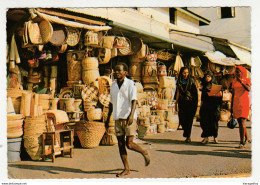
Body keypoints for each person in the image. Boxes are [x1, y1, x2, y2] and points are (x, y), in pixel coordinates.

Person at [106, 62, 150, 177]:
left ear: (125, 73)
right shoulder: (113, 85)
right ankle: (126, 168)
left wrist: (131, 115)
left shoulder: (130, 84)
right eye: (115, 70)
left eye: (119, 70)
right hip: (117, 117)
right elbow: (111, 103)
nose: (117, 72)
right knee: (120, 144)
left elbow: (134, 100)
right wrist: (107, 119)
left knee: (129, 144)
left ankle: (144, 152)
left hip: (128, 117)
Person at [175, 67, 198, 143]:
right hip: (182, 102)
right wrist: (176, 102)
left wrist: (196, 102)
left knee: (189, 119)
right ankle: (186, 132)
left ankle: (188, 136)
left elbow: (195, 92)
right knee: (182, 118)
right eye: (184, 72)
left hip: (190, 102)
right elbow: (178, 91)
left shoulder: (191, 81)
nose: (186, 74)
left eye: (187, 72)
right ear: (181, 73)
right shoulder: (179, 81)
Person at [199, 71, 222, 144]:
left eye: (209, 76)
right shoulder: (204, 86)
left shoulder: (215, 85)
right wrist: (201, 105)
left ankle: (215, 137)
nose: (207, 78)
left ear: (212, 77)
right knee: (205, 122)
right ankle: (206, 138)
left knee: (214, 123)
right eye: (206, 77)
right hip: (206, 106)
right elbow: (202, 97)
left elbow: (220, 96)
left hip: (214, 106)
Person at [231, 66, 251, 148]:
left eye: (238, 71)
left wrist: (241, 82)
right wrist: (231, 106)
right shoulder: (234, 81)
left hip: (244, 103)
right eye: (236, 71)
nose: (237, 73)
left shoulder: (247, 80)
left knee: (242, 122)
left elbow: (248, 89)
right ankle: (247, 138)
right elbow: (233, 94)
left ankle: (241, 142)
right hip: (236, 103)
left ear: (242, 72)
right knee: (240, 122)